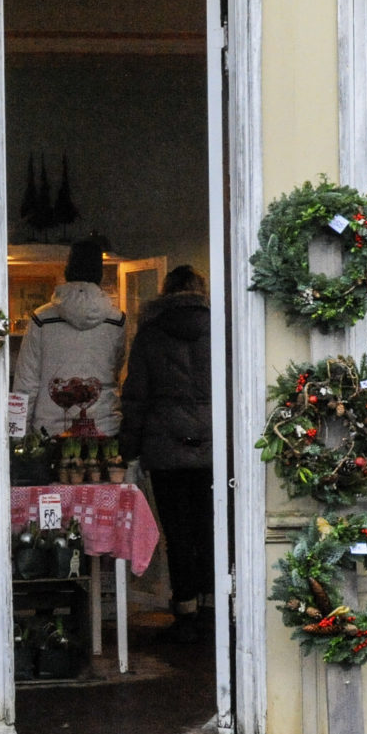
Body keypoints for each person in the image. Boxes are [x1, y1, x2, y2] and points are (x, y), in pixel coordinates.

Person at [120, 265, 215, 643]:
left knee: (177, 533)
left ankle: (186, 610)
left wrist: (128, 450)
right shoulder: (219, 330)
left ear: (165, 291)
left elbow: (136, 398)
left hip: (165, 449)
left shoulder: (150, 334)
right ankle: (211, 608)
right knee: (210, 529)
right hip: (211, 448)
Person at [12, 236, 125, 436]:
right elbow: (117, 369)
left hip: (50, 431)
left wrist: (18, 435)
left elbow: (26, 382)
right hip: (103, 427)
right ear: (100, 272)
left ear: (68, 268)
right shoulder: (117, 320)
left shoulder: (41, 318)